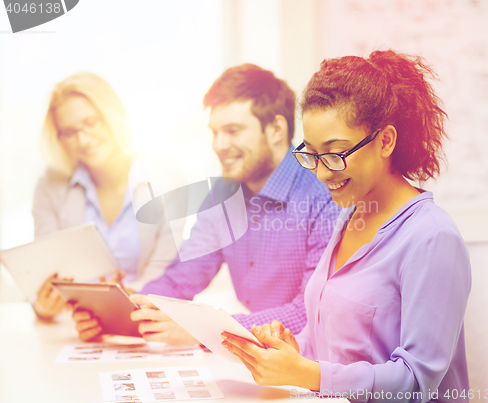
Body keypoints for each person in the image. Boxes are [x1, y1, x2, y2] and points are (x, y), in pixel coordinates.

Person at [221, 50, 471, 402]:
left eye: (336, 153)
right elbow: (330, 339)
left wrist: (307, 373)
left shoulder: (432, 238)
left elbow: (417, 382)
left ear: (385, 141)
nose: (322, 173)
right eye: (311, 153)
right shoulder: (349, 215)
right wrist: (295, 350)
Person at [73, 64, 340, 343]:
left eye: (233, 130)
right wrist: (123, 312)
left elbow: (310, 313)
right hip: (262, 359)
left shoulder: (325, 197)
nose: (219, 144)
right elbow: (182, 277)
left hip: (313, 361)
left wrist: (203, 330)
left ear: (275, 129)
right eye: (214, 132)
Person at [32, 72, 180, 320]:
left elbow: (165, 269)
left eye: (91, 122)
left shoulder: (166, 177)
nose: (83, 139)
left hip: (144, 316)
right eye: (69, 132)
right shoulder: (50, 185)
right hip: (75, 323)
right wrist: (43, 308)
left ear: (112, 116)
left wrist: (122, 301)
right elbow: (44, 271)